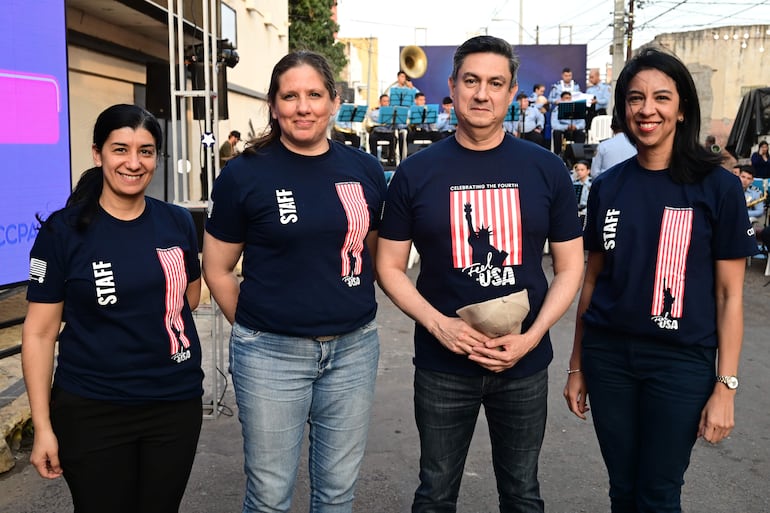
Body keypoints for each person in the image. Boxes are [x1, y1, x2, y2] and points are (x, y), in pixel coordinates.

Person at [377, 35, 585, 513]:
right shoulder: (416, 171)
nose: (482, 93)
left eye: (496, 83)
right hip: (443, 363)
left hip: (524, 364)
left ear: (512, 92)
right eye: (471, 81)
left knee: (523, 495)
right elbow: (388, 266)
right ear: (453, 86)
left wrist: (532, 338)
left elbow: (571, 267)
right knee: (434, 495)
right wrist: (439, 325)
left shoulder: (547, 169)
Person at [564, 45, 758, 513]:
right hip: (608, 358)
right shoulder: (608, 187)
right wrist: (577, 365)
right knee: (622, 490)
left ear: (682, 107)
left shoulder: (719, 187)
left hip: (680, 364)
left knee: (657, 493)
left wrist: (725, 386)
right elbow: (592, 282)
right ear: (624, 108)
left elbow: (730, 295)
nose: (646, 109)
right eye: (635, 98)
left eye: (661, 98)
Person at [202, 50, 387, 513]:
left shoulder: (363, 170)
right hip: (270, 354)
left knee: (338, 493)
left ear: (333, 101)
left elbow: (380, 252)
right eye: (290, 96)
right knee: (268, 495)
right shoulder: (244, 173)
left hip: (353, 350)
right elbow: (218, 268)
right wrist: (254, 326)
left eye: (313, 95)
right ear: (273, 104)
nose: (303, 107)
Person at [22, 104, 204, 513]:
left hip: (173, 405)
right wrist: (43, 427)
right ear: (97, 153)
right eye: (120, 149)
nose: (134, 163)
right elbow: (38, 333)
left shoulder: (177, 222)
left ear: (158, 157)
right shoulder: (63, 231)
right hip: (92, 409)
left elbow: (188, 299)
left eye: (146, 151)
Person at [551, 90, 586, 155]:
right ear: (561, 99)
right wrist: (566, 127)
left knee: (581, 133)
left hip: (574, 130)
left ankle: (579, 155)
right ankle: (558, 154)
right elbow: (554, 125)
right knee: (556, 132)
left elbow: (582, 123)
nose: (568, 100)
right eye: (566, 98)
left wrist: (576, 127)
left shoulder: (576, 109)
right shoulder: (556, 110)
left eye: (569, 98)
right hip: (563, 130)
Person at [572, 159, 591, 224]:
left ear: (588, 171)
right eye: (577, 170)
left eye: (582, 170)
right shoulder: (574, 184)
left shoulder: (592, 183)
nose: (579, 172)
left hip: (587, 213)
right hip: (576, 213)